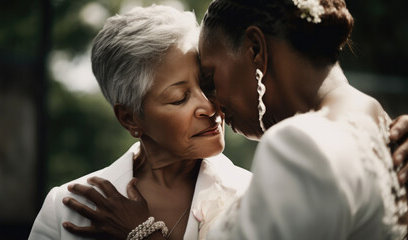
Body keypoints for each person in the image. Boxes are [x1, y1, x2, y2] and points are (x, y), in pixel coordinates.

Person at [58, 2, 408, 240]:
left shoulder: (301, 146)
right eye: (180, 97)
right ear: (130, 117)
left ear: (255, 49)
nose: (214, 104)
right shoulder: (381, 123)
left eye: (209, 79)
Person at [28, 5, 251, 240]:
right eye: (179, 98)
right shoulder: (67, 209)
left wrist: (141, 235)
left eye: (207, 84)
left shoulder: (257, 195)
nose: (209, 106)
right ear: (130, 118)